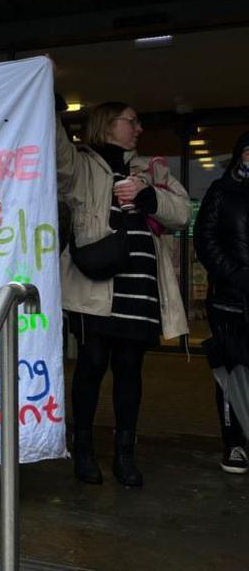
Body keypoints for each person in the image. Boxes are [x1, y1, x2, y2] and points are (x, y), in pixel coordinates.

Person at [56, 101, 190, 487]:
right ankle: (83, 449)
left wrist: (148, 195)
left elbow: (182, 213)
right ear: (107, 124)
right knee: (92, 363)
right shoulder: (82, 164)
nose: (139, 128)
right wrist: (50, 101)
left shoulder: (151, 168)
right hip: (96, 281)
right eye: (132, 121)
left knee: (130, 369)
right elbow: (57, 152)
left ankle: (124, 456)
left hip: (140, 286)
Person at [193, 131, 249, 475]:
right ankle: (235, 443)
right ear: (240, 154)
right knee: (232, 374)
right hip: (231, 301)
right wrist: (236, 275)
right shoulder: (222, 192)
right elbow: (205, 239)